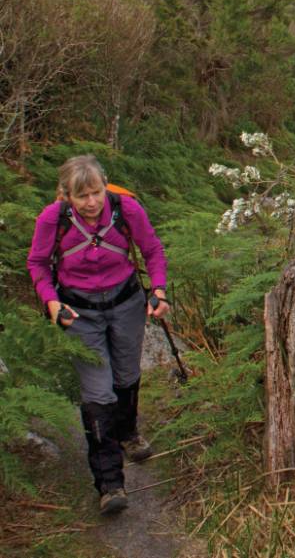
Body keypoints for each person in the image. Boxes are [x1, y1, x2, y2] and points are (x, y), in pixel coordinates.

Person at [26, 154, 170, 515]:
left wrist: (160, 290)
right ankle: (109, 483)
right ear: (67, 196)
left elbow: (152, 250)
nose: (91, 203)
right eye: (82, 196)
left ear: (105, 187)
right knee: (97, 392)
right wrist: (51, 302)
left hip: (125, 304)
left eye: (96, 193)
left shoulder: (126, 210)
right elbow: (38, 264)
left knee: (126, 374)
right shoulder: (52, 219)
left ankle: (128, 433)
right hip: (79, 314)